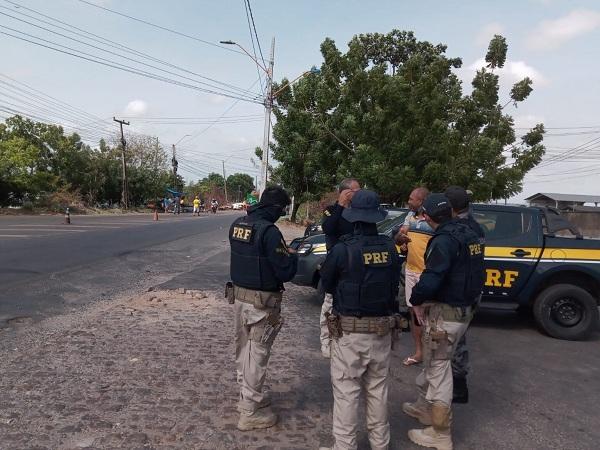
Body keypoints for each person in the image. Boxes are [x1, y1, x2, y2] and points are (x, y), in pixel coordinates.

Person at [319, 190, 401, 450]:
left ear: (353, 217)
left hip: (350, 335)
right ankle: (380, 444)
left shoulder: (343, 249)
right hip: (382, 332)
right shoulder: (390, 247)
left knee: (347, 393)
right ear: (377, 217)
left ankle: (344, 446)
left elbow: (327, 285)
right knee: (378, 391)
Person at [403, 193, 484, 450]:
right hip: (464, 311)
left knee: (438, 370)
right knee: (434, 362)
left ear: (426, 216)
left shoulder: (444, 241)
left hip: (445, 314)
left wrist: (416, 299)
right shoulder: (470, 233)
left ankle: (440, 433)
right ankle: (424, 408)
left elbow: (432, 277)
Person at [228, 186, 298, 431]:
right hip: (263, 304)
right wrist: (293, 256)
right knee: (257, 354)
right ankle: (250, 412)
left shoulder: (238, 224)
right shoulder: (270, 232)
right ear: (275, 208)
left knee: (243, 349)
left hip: (238, 298)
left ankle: (246, 396)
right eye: (282, 209)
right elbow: (285, 271)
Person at [444, 186, 486, 404]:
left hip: (458, 293)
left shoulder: (456, 229)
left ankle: (455, 388)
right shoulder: (476, 227)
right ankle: (458, 384)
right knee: (460, 338)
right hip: (473, 290)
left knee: (452, 343)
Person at [319, 178, 361, 358]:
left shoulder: (359, 212)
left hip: (354, 265)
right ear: (346, 192)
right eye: (356, 190)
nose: (359, 193)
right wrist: (341, 205)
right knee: (329, 305)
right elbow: (328, 228)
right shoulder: (332, 210)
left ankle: (346, 341)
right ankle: (326, 342)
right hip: (335, 264)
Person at [394, 187, 431, 366]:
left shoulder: (433, 219)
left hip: (428, 274)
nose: (408, 201)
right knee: (414, 312)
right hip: (411, 270)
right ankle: (418, 352)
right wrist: (402, 242)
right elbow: (401, 235)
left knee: (430, 313)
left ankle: (432, 353)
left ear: (421, 201)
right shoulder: (410, 216)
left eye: (411, 199)